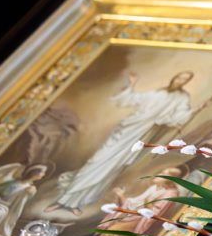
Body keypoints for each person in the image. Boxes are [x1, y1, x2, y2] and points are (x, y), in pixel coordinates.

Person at [49, 72, 196, 215]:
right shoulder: (157, 93)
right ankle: (63, 200)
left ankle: (77, 203)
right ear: (174, 78)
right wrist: (131, 85)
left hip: (141, 134)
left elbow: (180, 115)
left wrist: (191, 112)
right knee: (96, 162)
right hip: (126, 130)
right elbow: (131, 99)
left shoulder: (182, 98)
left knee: (113, 168)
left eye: (184, 80)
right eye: (179, 77)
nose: (180, 81)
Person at [70, 169, 182, 236]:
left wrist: (141, 208)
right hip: (138, 217)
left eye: (163, 174)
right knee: (111, 227)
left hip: (148, 222)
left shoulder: (171, 194)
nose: (158, 174)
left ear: (170, 179)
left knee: (115, 231)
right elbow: (136, 202)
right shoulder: (154, 188)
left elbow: (155, 213)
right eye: (161, 172)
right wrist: (121, 195)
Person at [0, 163, 48, 236]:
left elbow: (23, 201)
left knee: (3, 211)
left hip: (6, 206)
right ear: (34, 172)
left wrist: (30, 194)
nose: (43, 174)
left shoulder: (31, 187)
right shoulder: (16, 182)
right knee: (1, 211)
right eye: (42, 172)